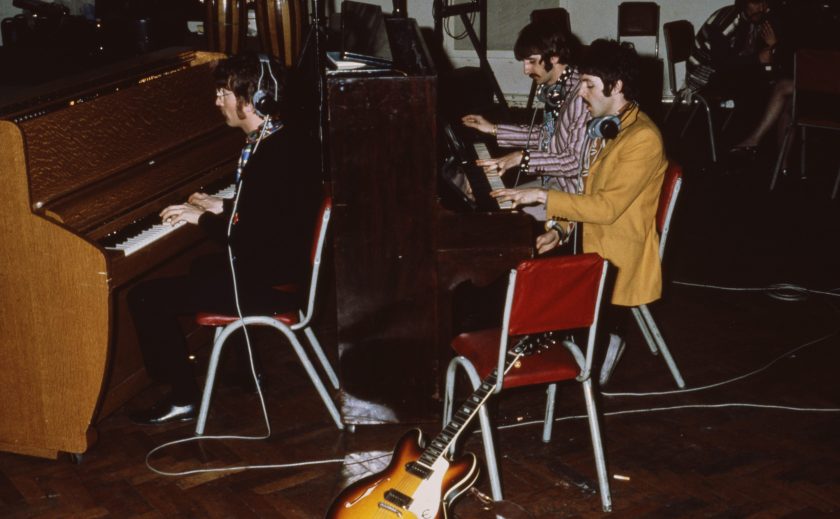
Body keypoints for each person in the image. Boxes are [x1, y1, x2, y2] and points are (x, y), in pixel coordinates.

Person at [127, 53, 322, 425]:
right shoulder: (281, 139)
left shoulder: (271, 155)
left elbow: (248, 239)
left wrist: (201, 217)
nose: (217, 101)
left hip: (273, 284)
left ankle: (182, 397)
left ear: (254, 100)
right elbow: (270, 211)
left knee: (146, 297)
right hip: (283, 268)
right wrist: (223, 203)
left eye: (223, 93)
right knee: (203, 265)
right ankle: (248, 370)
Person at [492, 40, 667, 386]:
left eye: (589, 85)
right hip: (589, 239)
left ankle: (587, 345)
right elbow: (589, 192)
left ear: (616, 87)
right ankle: (545, 354)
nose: (581, 93)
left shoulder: (642, 138)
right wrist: (559, 229)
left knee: (525, 286)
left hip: (617, 256)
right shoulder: (609, 126)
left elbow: (605, 207)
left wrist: (542, 194)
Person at [461, 20, 589, 198]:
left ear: (554, 57)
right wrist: (493, 129)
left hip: (572, 194)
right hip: (552, 183)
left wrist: (522, 158)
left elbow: (575, 162)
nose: (526, 70)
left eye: (531, 61)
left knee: (501, 219)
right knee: (486, 196)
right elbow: (547, 136)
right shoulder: (557, 89)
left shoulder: (581, 96)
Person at [684, 0, 790, 156]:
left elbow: (762, 56)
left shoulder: (756, 18)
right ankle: (742, 143)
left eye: (764, 3)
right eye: (755, 3)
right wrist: (757, 59)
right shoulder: (726, 21)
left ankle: (751, 141)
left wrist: (772, 46)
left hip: (725, 69)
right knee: (755, 87)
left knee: (767, 84)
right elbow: (721, 64)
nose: (761, 8)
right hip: (704, 72)